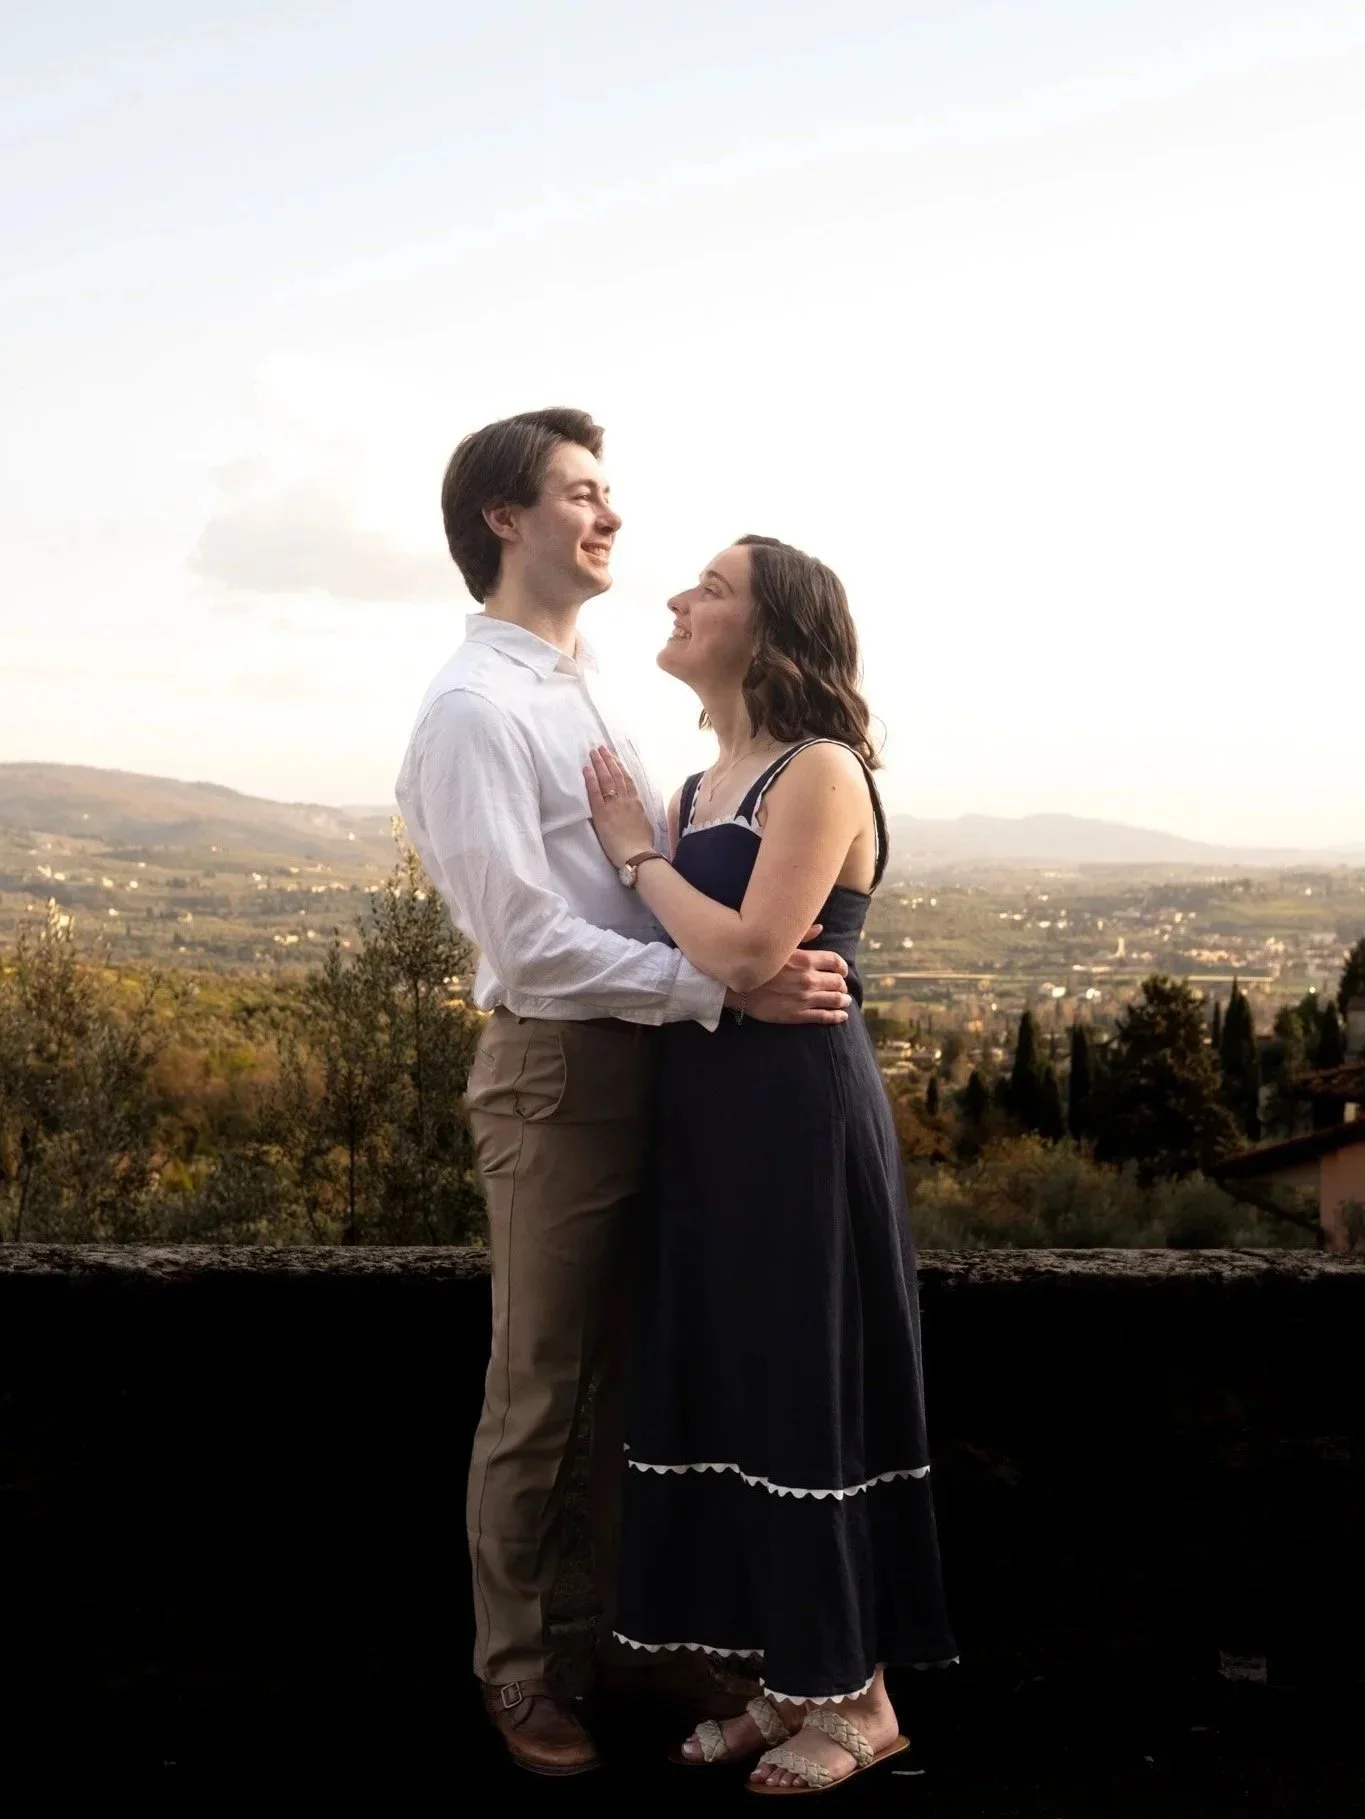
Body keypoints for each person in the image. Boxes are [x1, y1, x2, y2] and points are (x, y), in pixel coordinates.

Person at [394, 411, 853, 1779]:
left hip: (655, 1065)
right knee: (540, 1380)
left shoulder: (583, 684)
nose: (607, 518)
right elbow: (528, 943)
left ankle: (619, 1634)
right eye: (580, 494)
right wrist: (724, 988)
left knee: (638, 1373)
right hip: (559, 1070)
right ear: (502, 518)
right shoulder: (475, 708)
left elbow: (643, 890)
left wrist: (712, 980)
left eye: (609, 495)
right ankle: (518, 1665)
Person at [583, 534, 957, 1794]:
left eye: (712, 587)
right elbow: (722, 962)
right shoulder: (697, 787)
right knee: (730, 1385)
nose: (680, 598)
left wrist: (639, 859)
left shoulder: (821, 769)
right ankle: (774, 1680)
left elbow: (746, 954)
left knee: (807, 1385)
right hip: (706, 1121)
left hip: (800, 1121)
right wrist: (710, 938)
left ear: (774, 628)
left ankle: (863, 1701)